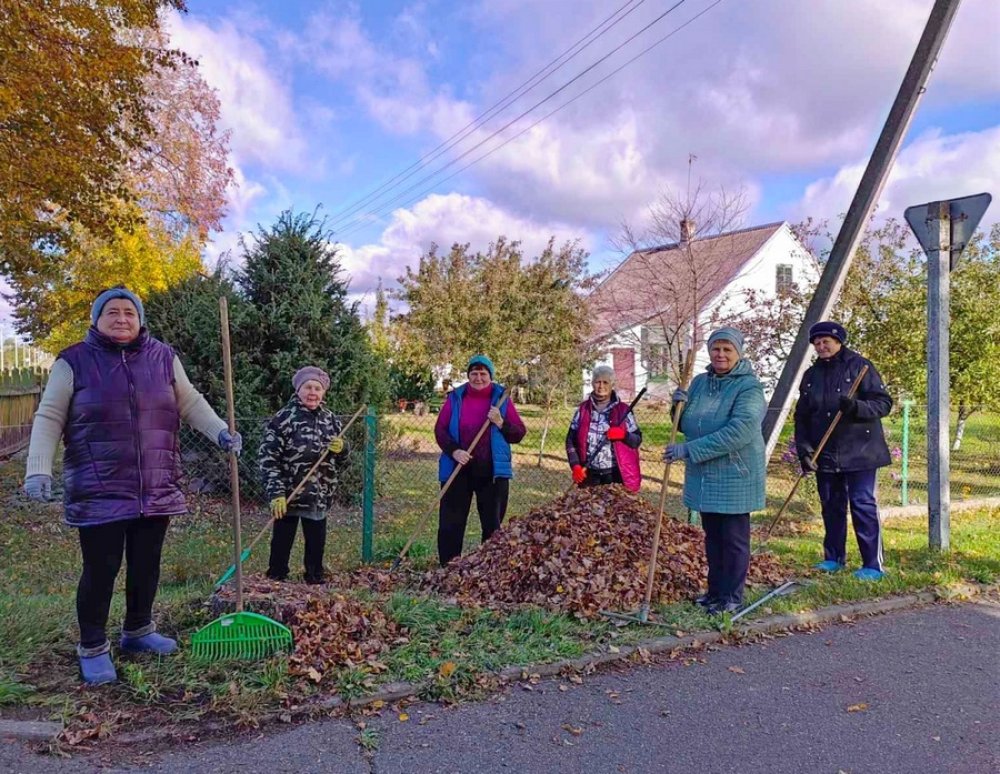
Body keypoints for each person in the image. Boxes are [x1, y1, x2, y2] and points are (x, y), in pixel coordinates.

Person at [23, 286, 241, 684]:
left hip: (155, 483)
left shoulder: (163, 357)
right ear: (97, 319)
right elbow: (49, 416)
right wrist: (38, 469)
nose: (122, 318)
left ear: (140, 319)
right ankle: (92, 646)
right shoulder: (73, 361)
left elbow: (190, 402)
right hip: (99, 487)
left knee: (146, 564)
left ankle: (138, 630)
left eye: (129, 312)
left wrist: (221, 432)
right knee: (101, 569)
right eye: (112, 312)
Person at [663, 327, 766, 615]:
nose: (720, 354)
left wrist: (689, 450)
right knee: (713, 537)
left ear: (738, 353)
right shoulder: (699, 383)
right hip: (706, 474)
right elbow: (684, 424)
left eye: (727, 349)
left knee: (732, 539)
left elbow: (740, 431)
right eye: (715, 349)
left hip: (735, 473)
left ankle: (731, 596)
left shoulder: (749, 388)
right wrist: (677, 407)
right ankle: (715, 592)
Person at [794, 321, 893, 580]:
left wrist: (856, 407)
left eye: (826, 341)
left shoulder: (860, 366)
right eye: (817, 343)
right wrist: (804, 450)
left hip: (861, 450)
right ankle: (834, 558)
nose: (821, 346)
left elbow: (883, 403)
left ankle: (872, 564)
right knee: (831, 505)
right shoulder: (811, 375)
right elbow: (802, 416)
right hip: (824, 452)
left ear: (839, 342)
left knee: (862, 504)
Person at [258, 366, 348, 584]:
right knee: (282, 541)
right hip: (288, 495)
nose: (312, 393)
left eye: (317, 388)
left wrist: (343, 449)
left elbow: (342, 463)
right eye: (308, 387)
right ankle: (276, 579)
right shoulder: (283, 419)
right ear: (298, 390)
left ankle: (314, 579)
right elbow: (268, 459)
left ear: (323, 392)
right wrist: (276, 493)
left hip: (318, 494)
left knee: (316, 542)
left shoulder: (331, 420)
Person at [434, 354, 526, 565]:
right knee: (451, 523)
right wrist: (455, 451)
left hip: (492, 471)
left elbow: (519, 433)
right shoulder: (456, 397)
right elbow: (440, 430)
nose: (478, 378)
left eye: (483, 374)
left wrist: (500, 422)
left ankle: (488, 569)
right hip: (458, 467)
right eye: (474, 373)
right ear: (468, 376)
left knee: (492, 525)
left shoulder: (501, 398)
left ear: (490, 376)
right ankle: (449, 567)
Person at [565, 365, 642, 490]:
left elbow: (636, 441)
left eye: (605, 382)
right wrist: (575, 465)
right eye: (598, 382)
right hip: (590, 475)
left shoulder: (623, 410)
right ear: (592, 384)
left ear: (612, 384)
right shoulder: (583, 410)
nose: (601, 386)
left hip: (616, 475)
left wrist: (623, 435)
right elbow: (570, 440)